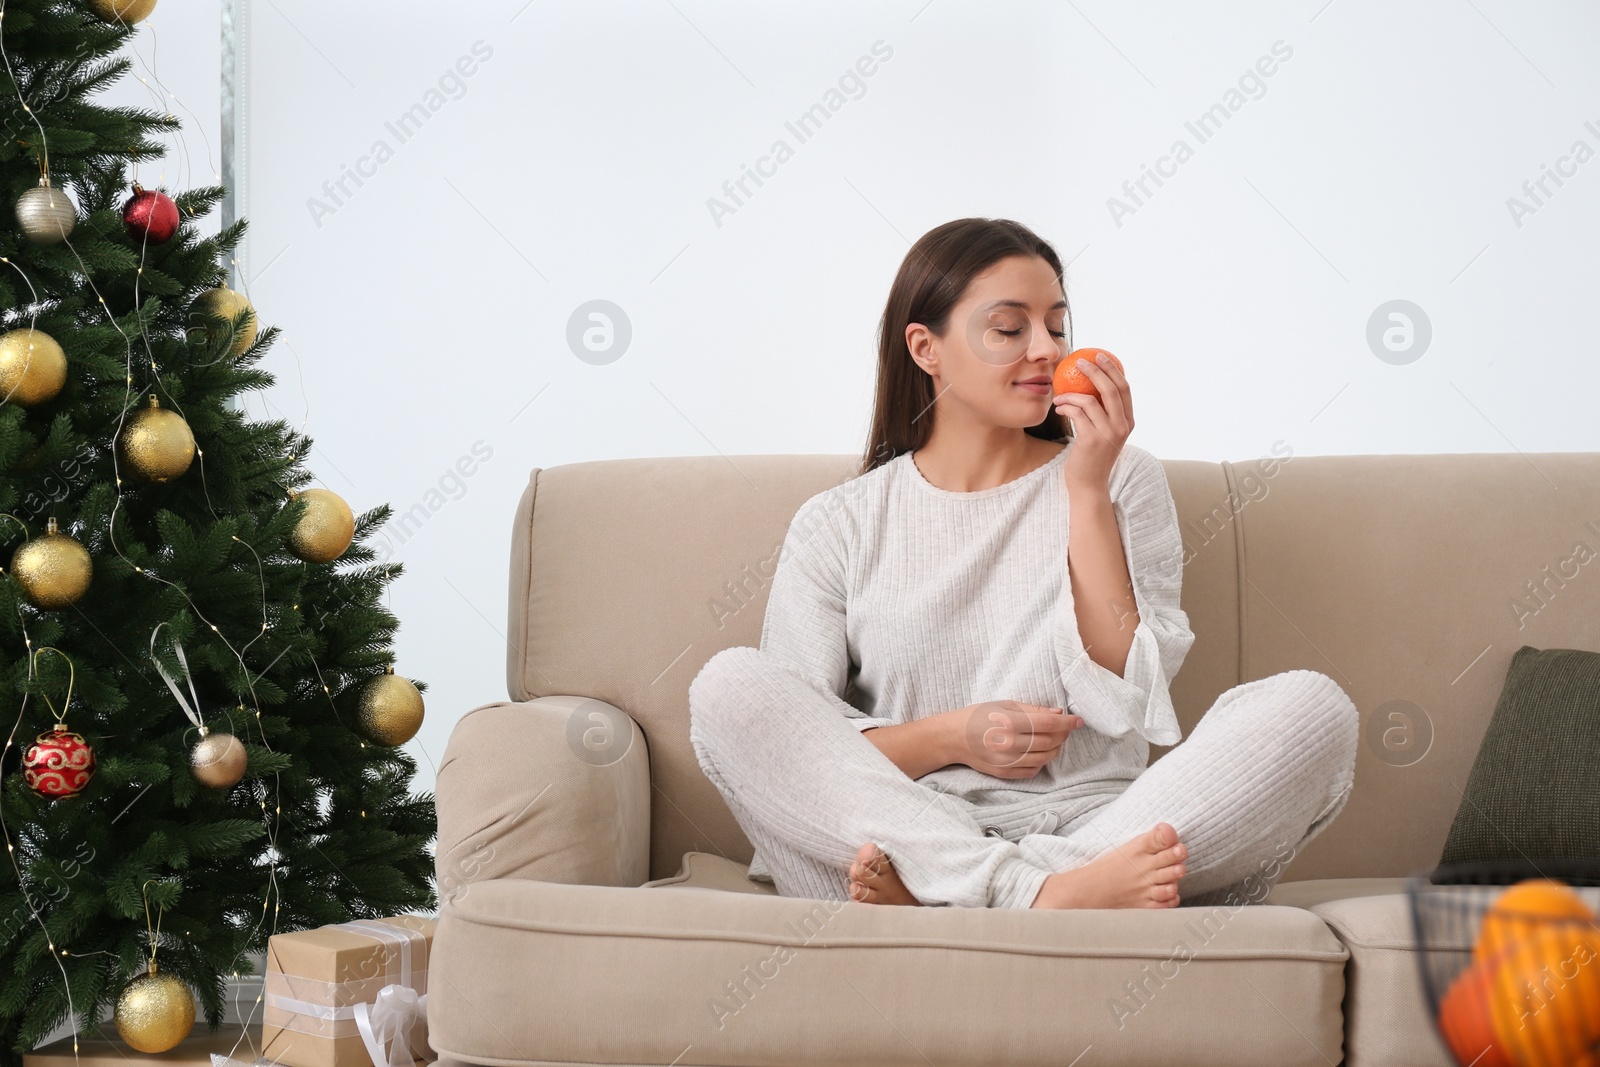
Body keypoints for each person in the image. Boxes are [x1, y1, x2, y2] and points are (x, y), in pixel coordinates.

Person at [688, 217, 1357, 910]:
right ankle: (1034, 897)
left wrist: (1087, 491)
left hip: (1092, 831)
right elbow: (802, 754)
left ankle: (998, 897)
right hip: (906, 838)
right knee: (728, 686)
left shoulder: (1122, 481)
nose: (1046, 349)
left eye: (1057, 326)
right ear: (926, 348)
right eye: (1010, 329)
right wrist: (954, 735)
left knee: (1311, 710)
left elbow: (1123, 698)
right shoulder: (839, 524)